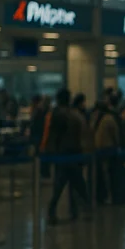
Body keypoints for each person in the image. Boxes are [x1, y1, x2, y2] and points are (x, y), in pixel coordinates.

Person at [40, 88, 90, 223]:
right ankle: (80, 210)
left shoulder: (57, 113)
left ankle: (54, 212)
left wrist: (49, 153)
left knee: (61, 185)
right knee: (77, 184)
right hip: (74, 153)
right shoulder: (74, 114)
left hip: (62, 154)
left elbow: (53, 135)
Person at [91, 99, 122, 204]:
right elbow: (115, 134)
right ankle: (113, 196)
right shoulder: (109, 118)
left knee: (100, 175)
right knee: (111, 174)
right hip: (109, 149)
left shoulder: (94, 118)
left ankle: (100, 197)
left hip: (97, 149)